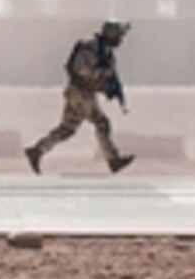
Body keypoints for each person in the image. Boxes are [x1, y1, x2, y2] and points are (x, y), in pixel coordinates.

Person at [25, 21, 134, 175]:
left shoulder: (106, 52)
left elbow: (106, 77)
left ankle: (37, 151)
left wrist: (111, 89)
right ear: (111, 35)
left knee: (67, 129)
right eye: (119, 36)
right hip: (79, 92)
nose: (121, 40)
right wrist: (102, 75)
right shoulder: (91, 47)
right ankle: (113, 160)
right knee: (102, 123)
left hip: (82, 93)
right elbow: (80, 68)